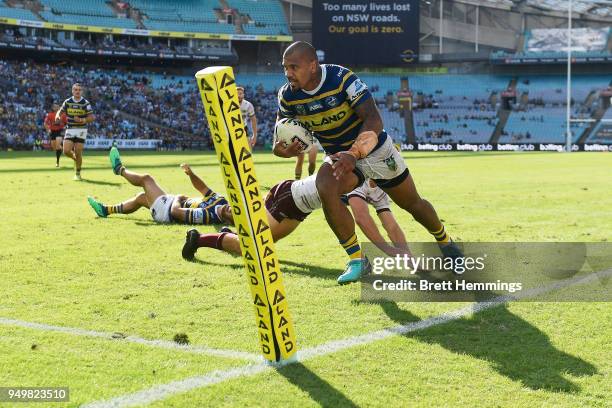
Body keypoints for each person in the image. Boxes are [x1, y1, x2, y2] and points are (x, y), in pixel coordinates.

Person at [273, 41, 462, 283]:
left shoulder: (342, 79)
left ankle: (445, 241)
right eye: (284, 67)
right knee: (325, 186)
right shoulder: (287, 95)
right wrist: (283, 152)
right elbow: (282, 130)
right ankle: (357, 259)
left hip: (375, 150)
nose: (288, 73)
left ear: (312, 65)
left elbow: (374, 119)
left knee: (412, 204)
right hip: (339, 158)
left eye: (293, 66)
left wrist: (354, 153)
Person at [182, 176, 412, 285]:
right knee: (253, 248)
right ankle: (199, 238)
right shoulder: (359, 179)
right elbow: (362, 218)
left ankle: (227, 228)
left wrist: (407, 255)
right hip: (289, 198)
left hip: (297, 205)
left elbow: (391, 224)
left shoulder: (380, 190)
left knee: (256, 242)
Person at [86, 147, 233, 225]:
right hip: (170, 203)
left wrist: (178, 198)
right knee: (141, 198)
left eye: (233, 214)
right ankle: (106, 210)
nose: (231, 209)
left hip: (167, 213)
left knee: (146, 179)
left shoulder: (209, 216)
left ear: (229, 220)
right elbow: (203, 189)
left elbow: (177, 213)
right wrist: (191, 174)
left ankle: (119, 169)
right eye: (235, 209)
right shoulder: (221, 201)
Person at [56, 83, 95, 180]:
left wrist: (82, 120)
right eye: (75, 89)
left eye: (79, 90)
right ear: (72, 91)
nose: (77, 91)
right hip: (70, 128)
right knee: (66, 151)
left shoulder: (85, 103)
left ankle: (78, 173)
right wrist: (57, 116)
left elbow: (91, 117)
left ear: (81, 91)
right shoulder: (67, 102)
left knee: (78, 151)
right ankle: (76, 159)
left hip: (81, 130)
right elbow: (60, 111)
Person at [43, 103, 66, 167]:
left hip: (59, 131)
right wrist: (48, 130)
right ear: (53, 108)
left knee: (58, 145)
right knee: (54, 147)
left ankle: (57, 162)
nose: (57, 108)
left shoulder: (63, 115)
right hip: (53, 131)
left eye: (58, 106)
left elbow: (66, 123)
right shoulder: (50, 115)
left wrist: (65, 128)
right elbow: (45, 123)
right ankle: (63, 149)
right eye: (55, 107)